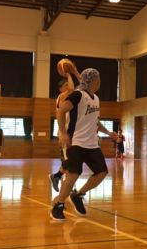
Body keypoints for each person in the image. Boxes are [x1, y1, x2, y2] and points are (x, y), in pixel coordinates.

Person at [51, 68, 118, 221]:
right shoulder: (78, 95)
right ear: (93, 80)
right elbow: (61, 111)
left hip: (92, 143)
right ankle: (58, 205)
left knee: (101, 172)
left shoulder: (96, 99)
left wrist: (108, 133)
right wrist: (63, 133)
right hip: (76, 141)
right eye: (98, 79)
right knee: (73, 174)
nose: (100, 81)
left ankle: (78, 195)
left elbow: (95, 121)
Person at [49, 65, 81, 192]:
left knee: (72, 160)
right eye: (66, 85)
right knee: (69, 161)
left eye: (68, 84)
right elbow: (72, 89)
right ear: (61, 89)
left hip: (72, 132)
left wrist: (74, 73)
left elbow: (79, 87)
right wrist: (68, 74)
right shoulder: (62, 96)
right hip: (65, 132)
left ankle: (57, 177)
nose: (69, 86)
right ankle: (68, 187)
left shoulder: (70, 97)